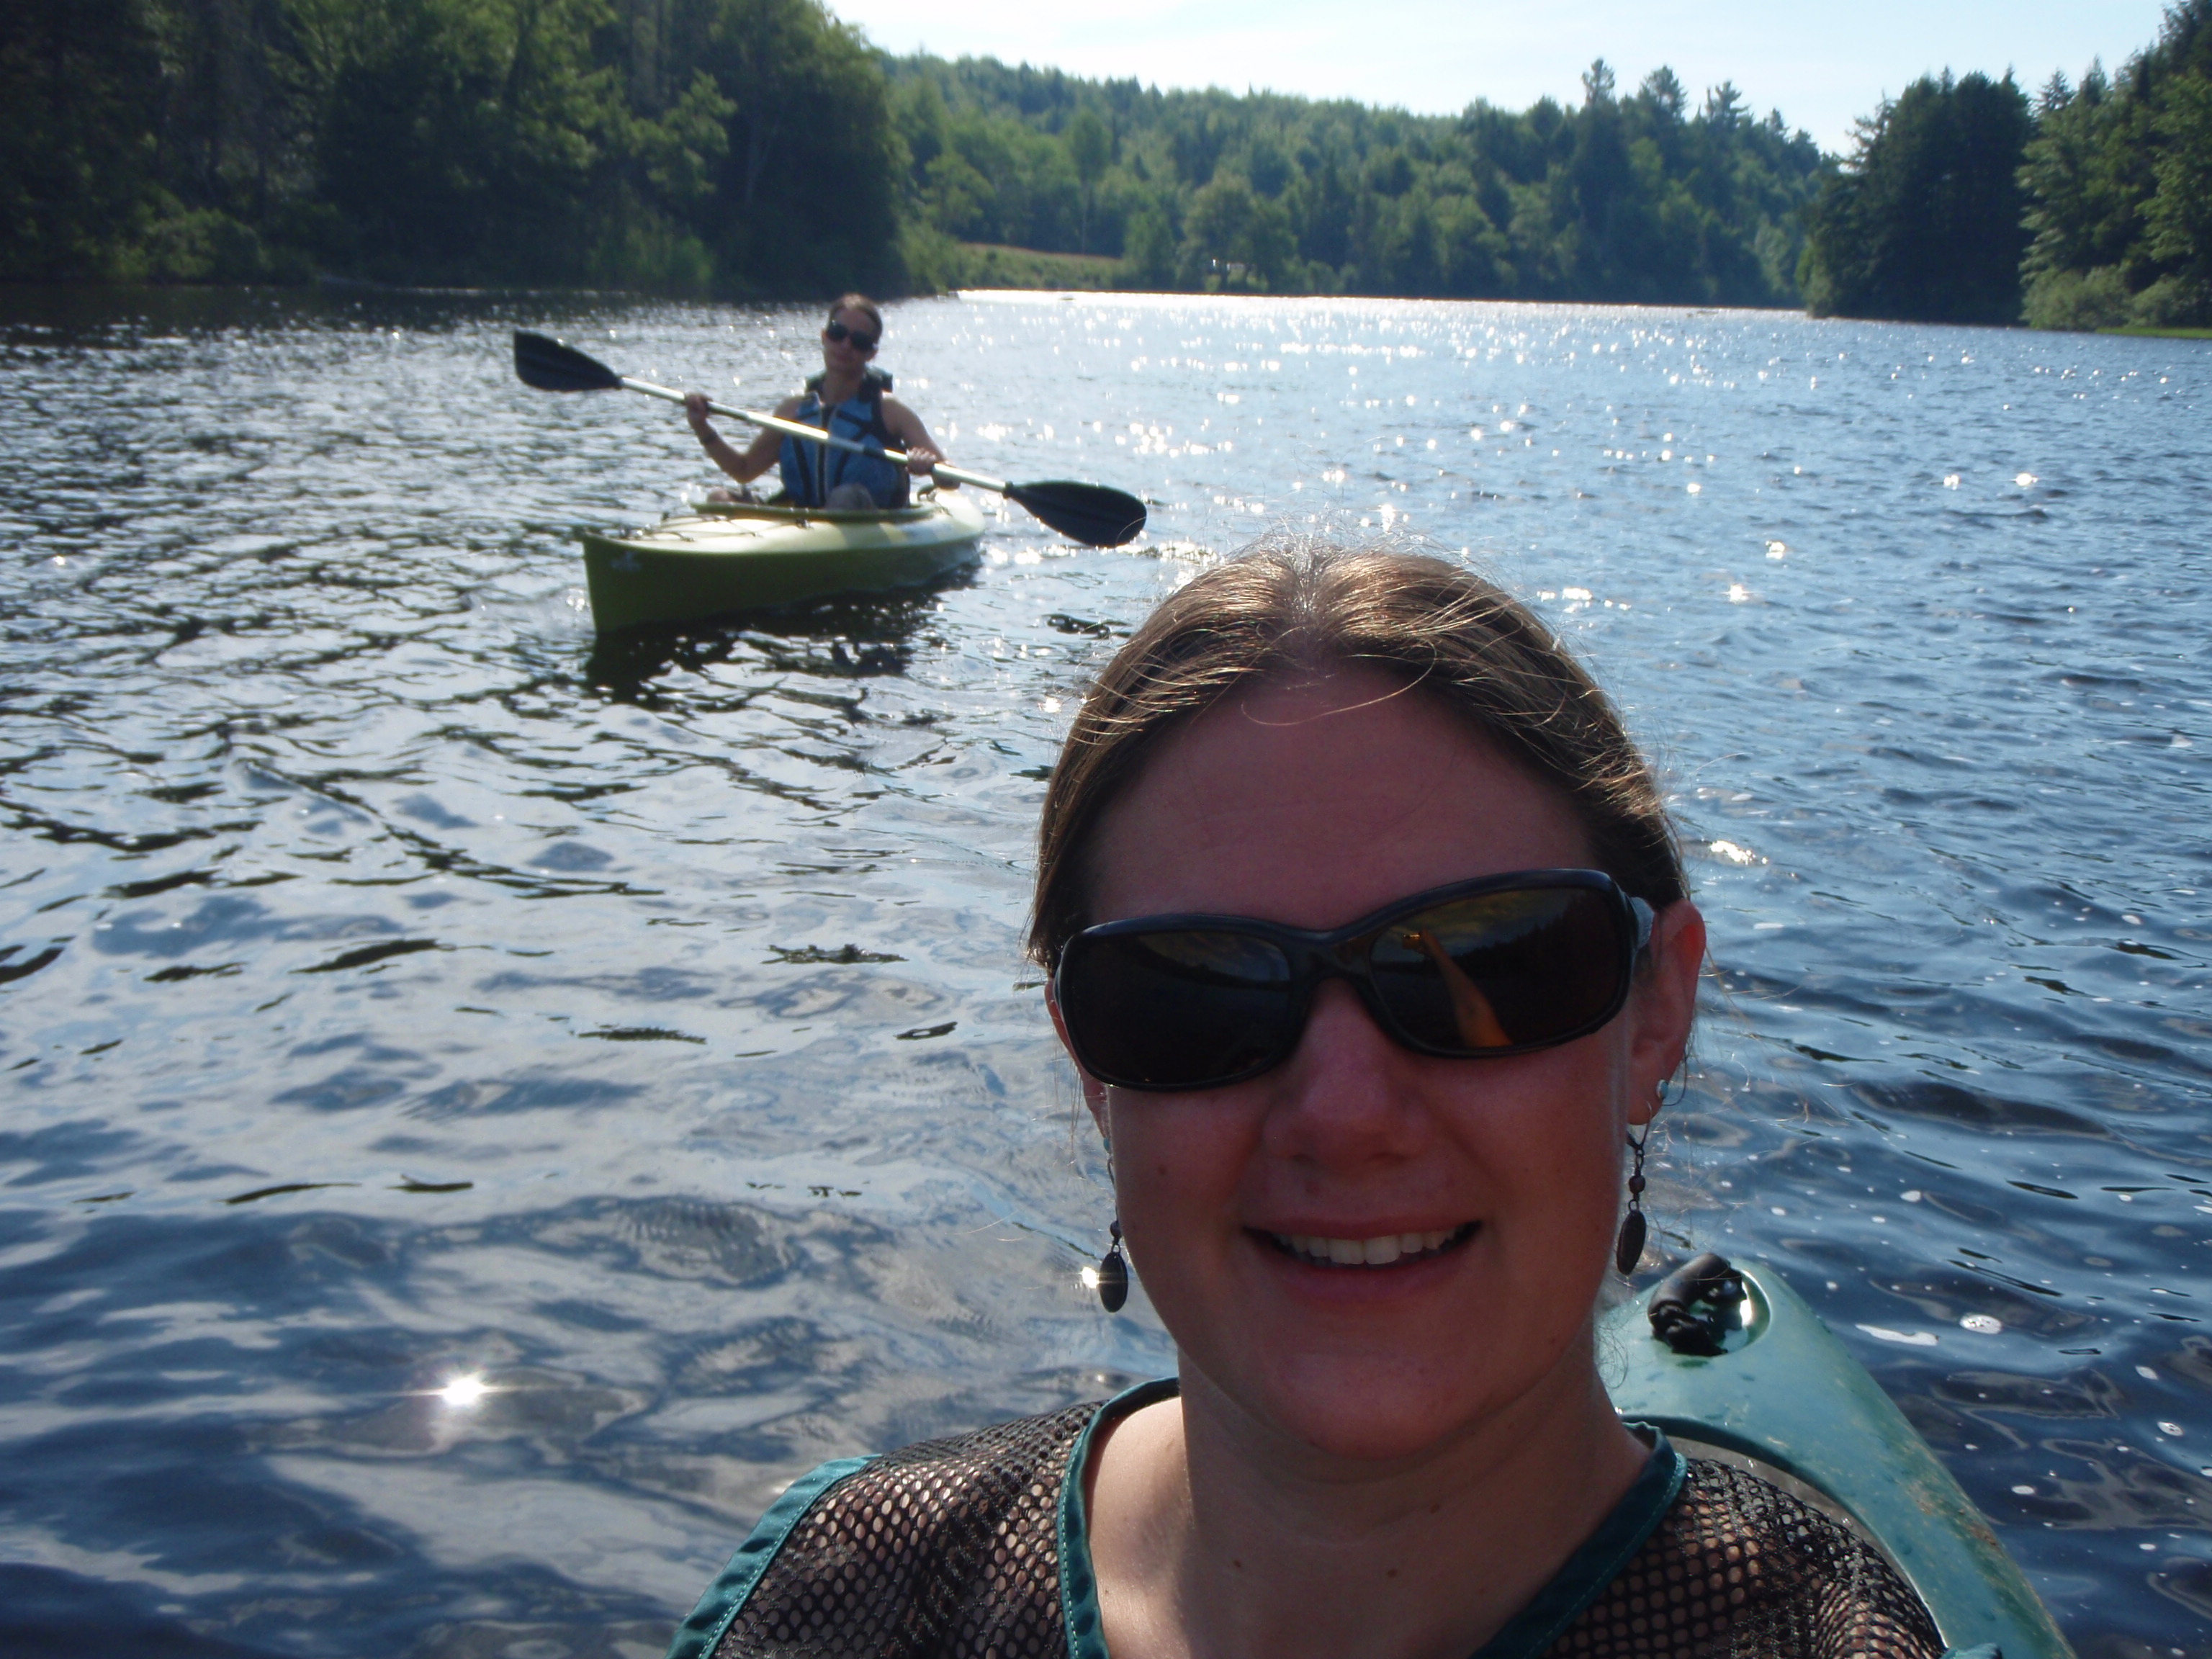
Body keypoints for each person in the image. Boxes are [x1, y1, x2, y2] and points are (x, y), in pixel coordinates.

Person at [665, 545, 1946, 1659]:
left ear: (1653, 1011)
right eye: (1195, 990)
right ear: (1091, 1064)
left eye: (1483, 966)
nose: (1344, 1113)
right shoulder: (851, 1592)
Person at [683, 294, 948, 510]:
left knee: (845, 498)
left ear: (871, 353)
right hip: (803, 522)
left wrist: (929, 465)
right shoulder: (793, 410)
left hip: (865, 520)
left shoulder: (890, 411)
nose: (845, 345)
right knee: (718, 498)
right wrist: (701, 427)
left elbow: (950, 478)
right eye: (838, 333)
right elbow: (744, 470)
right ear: (824, 337)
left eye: (859, 341)